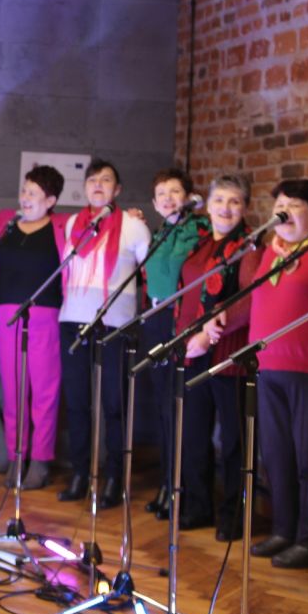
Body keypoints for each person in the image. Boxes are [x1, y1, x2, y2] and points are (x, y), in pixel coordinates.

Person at [241, 178, 308, 569]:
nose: (284, 212)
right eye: (280, 205)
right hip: (269, 366)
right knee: (276, 454)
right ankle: (284, 529)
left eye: (295, 205)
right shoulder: (271, 251)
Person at [57, 159, 151, 506]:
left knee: (114, 403)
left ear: (118, 189)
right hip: (73, 320)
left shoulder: (134, 226)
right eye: (92, 180)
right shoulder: (73, 224)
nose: (98, 185)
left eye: (106, 180)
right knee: (77, 402)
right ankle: (81, 473)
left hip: (115, 324)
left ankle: (114, 477)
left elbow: (147, 275)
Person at [173, 175, 251, 541]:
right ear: (208, 206)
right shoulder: (201, 243)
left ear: (245, 208)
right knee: (194, 434)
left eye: (234, 201)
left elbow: (249, 298)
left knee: (233, 440)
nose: (225, 208)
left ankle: (233, 515)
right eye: (219, 200)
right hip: (192, 351)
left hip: (228, 352)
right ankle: (198, 505)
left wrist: (210, 334)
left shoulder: (248, 246)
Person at [0, 165, 69, 490]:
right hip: (7, 314)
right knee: (13, 392)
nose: (25, 198)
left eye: (33, 194)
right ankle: (16, 455)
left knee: (44, 392)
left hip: (44, 315)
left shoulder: (61, 227)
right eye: (24, 190)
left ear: (50, 200)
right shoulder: (6, 223)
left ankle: (40, 460)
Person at [142, 168, 210, 518]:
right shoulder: (157, 234)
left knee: (184, 410)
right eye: (162, 194)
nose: (168, 198)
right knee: (163, 408)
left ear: (188, 197)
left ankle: (185, 488)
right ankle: (168, 482)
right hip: (155, 319)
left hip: (182, 320)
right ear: (154, 204)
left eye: (175, 191)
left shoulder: (200, 231)